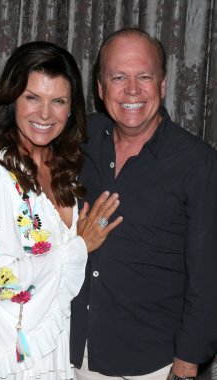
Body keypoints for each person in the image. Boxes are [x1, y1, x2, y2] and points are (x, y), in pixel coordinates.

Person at [0, 41, 123, 380]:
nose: (45, 114)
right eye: (32, 97)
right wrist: (80, 245)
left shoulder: (61, 162)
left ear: (71, 109)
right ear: (13, 101)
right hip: (19, 358)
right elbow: (2, 279)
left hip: (60, 351)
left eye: (58, 101)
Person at [70, 27, 217, 380]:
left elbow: (208, 276)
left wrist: (187, 364)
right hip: (71, 352)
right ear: (100, 88)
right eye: (119, 77)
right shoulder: (78, 140)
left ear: (163, 85)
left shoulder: (198, 163)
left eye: (144, 76)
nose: (132, 90)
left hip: (152, 363)